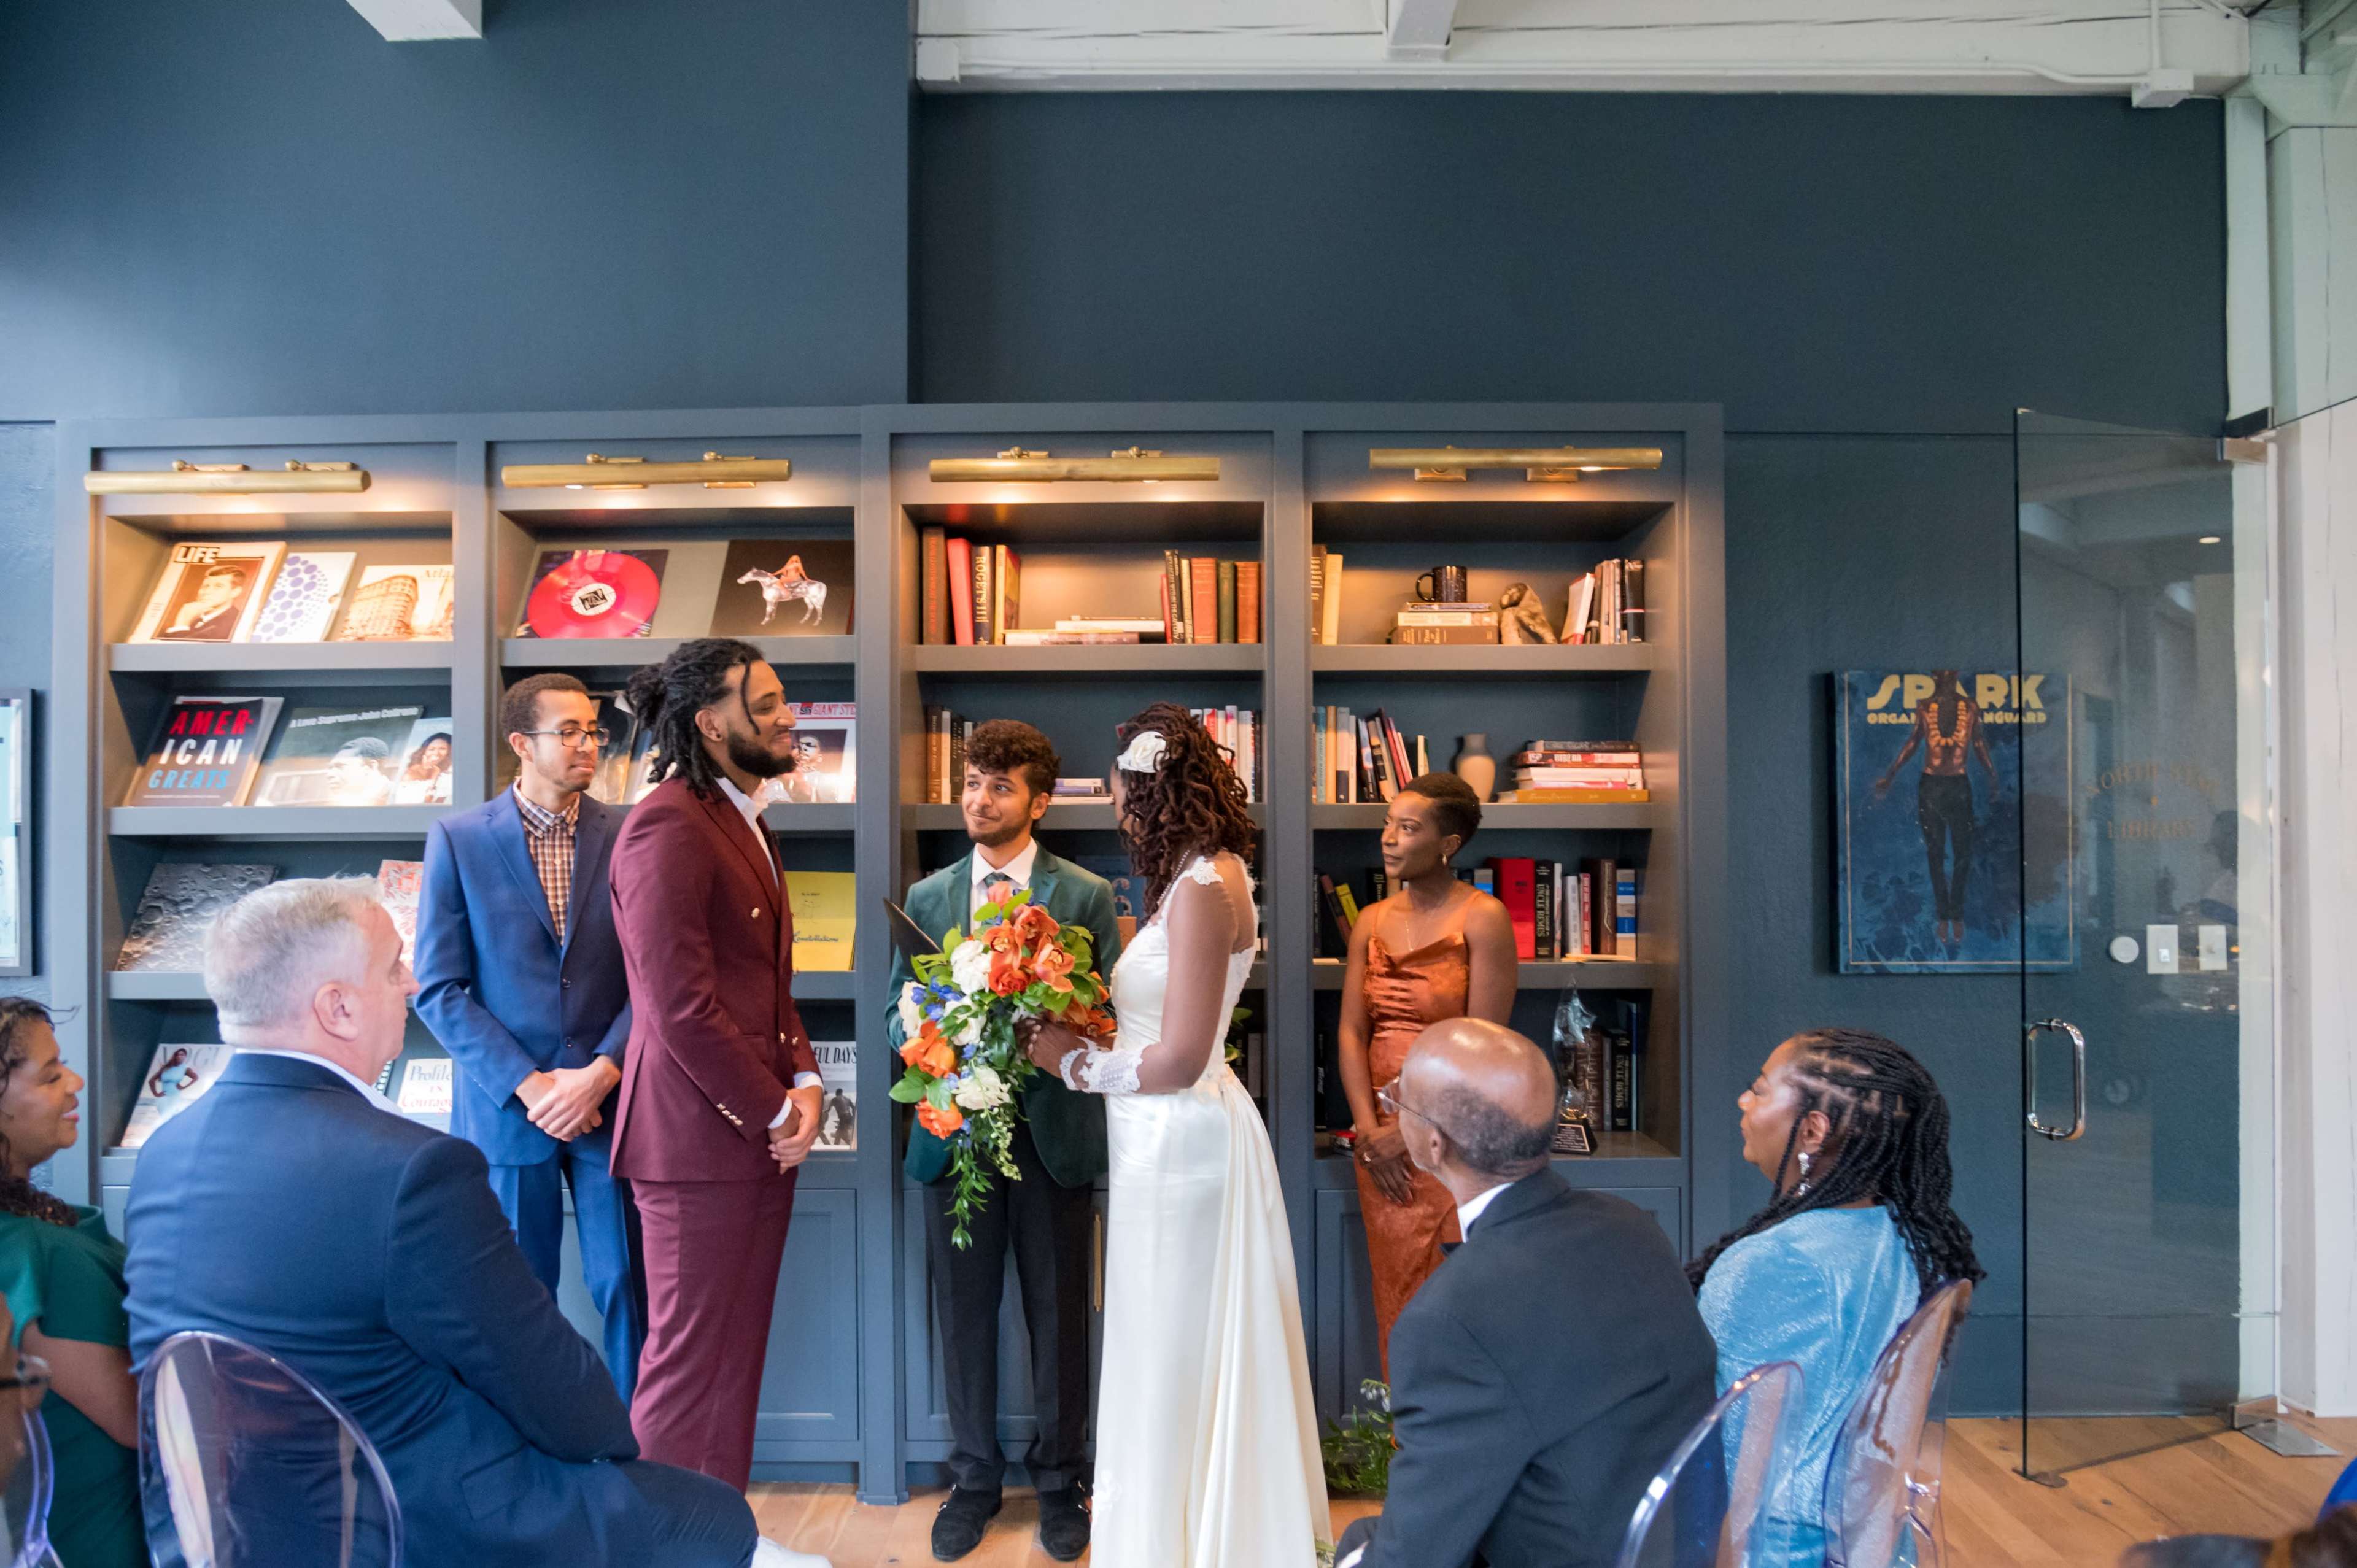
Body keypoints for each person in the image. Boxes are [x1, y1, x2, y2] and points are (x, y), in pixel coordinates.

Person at [123, 880, 787, 1567]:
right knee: (715, 1516)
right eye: (392, 966)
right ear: (338, 1007)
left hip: (223, 1532)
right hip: (407, 1527)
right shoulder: (411, 1170)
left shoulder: (163, 1154)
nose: (412, 983)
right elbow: (562, 1395)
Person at [1021, 702, 1329, 1567]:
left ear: (1149, 792)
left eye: (1120, 790)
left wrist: (1071, 1063)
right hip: (1162, 1138)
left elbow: (1183, 1057)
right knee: (1166, 1339)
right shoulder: (1203, 873)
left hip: (1179, 1141)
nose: (1115, 806)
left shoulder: (1200, 888)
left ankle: (1179, 1543)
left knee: (1167, 1345)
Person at [1335, 1017, 1716, 1568]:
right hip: (1676, 1542)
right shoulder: (1632, 1225)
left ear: (1434, 1143)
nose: (1390, 1106)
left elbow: (1413, 1557)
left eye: (1398, 1099)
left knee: (1359, 1546)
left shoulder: (1449, 1316)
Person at [886, 719, 1122, 1562]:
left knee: (1060, 1318)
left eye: (999, 786)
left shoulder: (1084, 895)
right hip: (955, 1135)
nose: (978, 800)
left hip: (1052, 1135)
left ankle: (1061, 1481)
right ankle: (974, 1480)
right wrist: (926, 1027)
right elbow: (895, 1007)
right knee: (963, 1316)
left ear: (1039, 801)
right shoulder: (927, 896)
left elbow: (1107, 1014)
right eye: (971, 783)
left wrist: (1055, 1016)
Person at [608, 638, 825, 1496]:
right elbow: (679, 1008)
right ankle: (656, 1545)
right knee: (689, 1364)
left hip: (752, 1138)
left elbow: (765, 982)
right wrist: (776, 1110)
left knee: (736, 1356)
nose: (787, 716)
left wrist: (806, 1081)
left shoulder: (742, 816)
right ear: (710, 722)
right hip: (696, 1147)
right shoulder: (667, 824)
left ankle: (718, 1537)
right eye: (764, 704)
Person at [415, 674, 643, 1400]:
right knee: (519, 1294)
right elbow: (438, 987)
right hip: (511, 1110)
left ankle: (640, 1448)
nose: (588, 745)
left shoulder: (630, 834)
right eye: (568, 731)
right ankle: (539, 1447)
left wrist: (602, 1071)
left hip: (612, 1102)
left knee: (628, 1284)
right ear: (522, 742)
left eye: (593, 731)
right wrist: (531, 1084)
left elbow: (654, 975)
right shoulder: (459, 840)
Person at [1690, 1027, 1985, 1568]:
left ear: (1812, 1130)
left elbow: (1728, 1460)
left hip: (1773, 1551)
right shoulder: (1907, 1241)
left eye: (1760, 1089)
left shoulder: (1771, 1264)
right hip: (1870, 1543)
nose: (1743, 1099)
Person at [1337, 773, 1515, 1369]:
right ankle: (1402, 1425)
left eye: (1408, 828)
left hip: (1452, 1140)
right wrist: (1369, 1133)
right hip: (1379, 1152)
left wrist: (1412, 1131)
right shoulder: (1371, 920)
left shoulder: (1484, 916)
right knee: (1395, 1298)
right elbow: (1352, 1031)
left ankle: (1452, 1424)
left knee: (1452, 1303)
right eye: (1388, 824)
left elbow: (1484, 1045)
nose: (1389, 838)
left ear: (1449, 843)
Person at [0, 998, 141, 1568]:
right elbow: (139, 1418)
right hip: (95, 1543)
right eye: (52, 1075)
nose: (76, 1083)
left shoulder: (37, 1229)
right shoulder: (35, 1255)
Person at [1873, 670, 1995, 945]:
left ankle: (1957, 914)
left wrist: (1991, 774)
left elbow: (1978, 742)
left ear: (1956, 676)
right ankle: (1943, 916)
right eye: (1941, 675)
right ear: (1934, 677)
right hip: (1931, 786)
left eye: (1949, 675)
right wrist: (1890, 775)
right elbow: (1913, 741)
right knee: (1935, 852)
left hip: (1959, 785)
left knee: (1963, 852)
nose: (1945, 678)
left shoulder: (1971, 707)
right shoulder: (1924, 706)